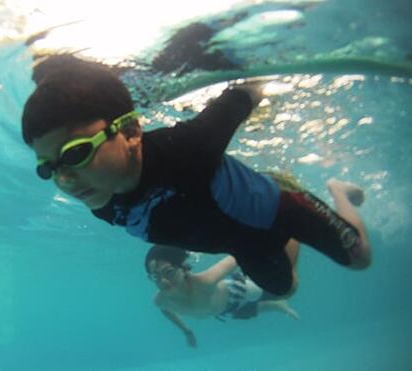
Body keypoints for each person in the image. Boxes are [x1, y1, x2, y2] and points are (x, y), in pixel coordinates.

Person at [21, 53, 371, 296]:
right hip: (241, 244)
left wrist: (253, 63)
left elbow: (248, 89)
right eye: (48, 168)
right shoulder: (97, 197)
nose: (64, 181)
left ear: (130, 133)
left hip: (280, 206)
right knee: (284, 288)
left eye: (76, 153)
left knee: (359, 259)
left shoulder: (188, 146)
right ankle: (284, 236)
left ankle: (336, 189)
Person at [145, 242, 300, 348]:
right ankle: (278, 307)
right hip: (225, 310)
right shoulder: (161, 300)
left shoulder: (205, 281)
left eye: (169, 272)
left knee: (285, 290)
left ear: (184, 268)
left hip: (239, 291)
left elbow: (238, 253)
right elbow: (165, 310)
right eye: (155, 276)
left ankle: (291, 247)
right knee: (247, 313)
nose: (163, 281)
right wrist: (187, 331)